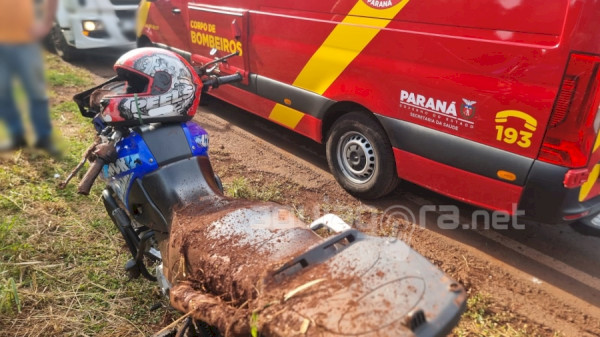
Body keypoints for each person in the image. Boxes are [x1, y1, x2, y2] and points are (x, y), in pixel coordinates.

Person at [0, 0, 59, 154]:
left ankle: (43, 138)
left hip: (26, 42)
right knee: (2, 93)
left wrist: (46, 23)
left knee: (36, 91)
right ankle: (16, 135)